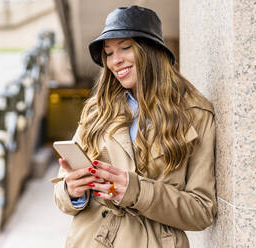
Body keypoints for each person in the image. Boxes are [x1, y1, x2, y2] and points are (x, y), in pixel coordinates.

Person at [52, 5, 216, 248]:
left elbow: (202, 211)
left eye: (125, 48)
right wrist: (72, 191)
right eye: (108, 53)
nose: (115, 61)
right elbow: (61, 196)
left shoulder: (196, 115)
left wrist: (136, 191)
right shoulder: (97, 110)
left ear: (151, 50)